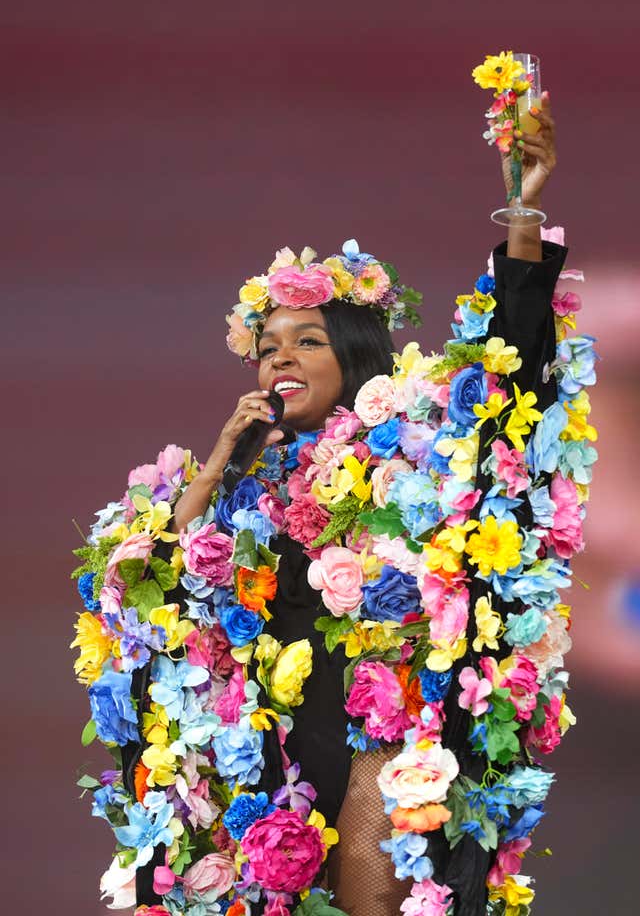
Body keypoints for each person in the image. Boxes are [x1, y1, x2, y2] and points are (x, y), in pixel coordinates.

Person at [74, 92, 595, 916]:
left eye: (307, 340)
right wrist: (216, 464)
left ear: (353, 356)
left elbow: (508, 382)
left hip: (380, 730)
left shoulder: (413, 441)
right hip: (265, 753)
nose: (280, 358)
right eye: (268, 347)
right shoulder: (237, 482)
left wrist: (522, 210)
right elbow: (147, 591)